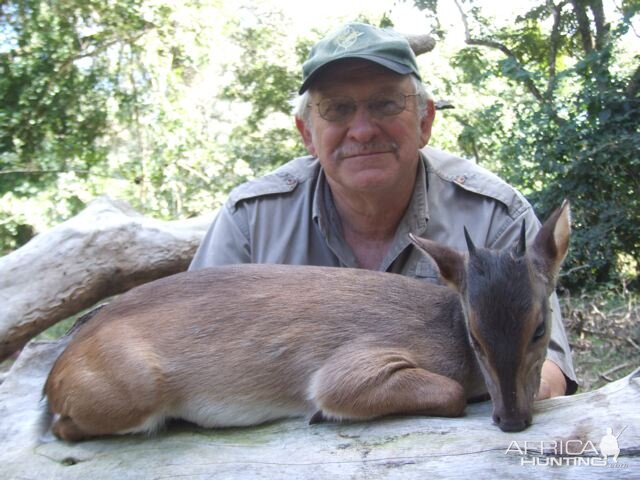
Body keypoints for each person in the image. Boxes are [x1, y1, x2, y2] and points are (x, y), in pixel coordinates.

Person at [190, 22, 578, 398]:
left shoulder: (496, 217)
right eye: (337, 109)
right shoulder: (251, 218)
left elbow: (547, 371)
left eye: (386, 104)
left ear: (425, 120)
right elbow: (189, 339)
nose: (362, 130)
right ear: (307, 134)